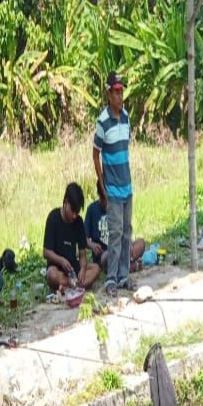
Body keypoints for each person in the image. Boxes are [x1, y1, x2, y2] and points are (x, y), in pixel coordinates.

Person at [93, 70, 134, 294]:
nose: (120, 96)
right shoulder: (102, 121)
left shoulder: (126, 117)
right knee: (115, 233)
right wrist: (102, 184)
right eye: (116, 92)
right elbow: (95, 154)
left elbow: (125, 148)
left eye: (122, 91)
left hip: (127, 185)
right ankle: (111, 279)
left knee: (127, 231)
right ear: (109, 94)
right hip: (113, 188)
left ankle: (123, 276)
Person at [43, 182, 100, 292]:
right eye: (72, 211)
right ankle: (74, 284)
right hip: (57, 268)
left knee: (96, 268)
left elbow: (82, 253)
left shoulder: (78, 222)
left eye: (77, 212)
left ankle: (71, 285)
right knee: (51, 275)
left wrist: (83, 269)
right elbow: (46, 252)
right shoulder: (53, 218)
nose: (74, 216)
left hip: (73, 268)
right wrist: (61, 260)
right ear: (65, 203)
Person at [86, 179, 145, 268]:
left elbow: (125, 231)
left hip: (121, 248)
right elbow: (83, 238)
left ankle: (126, 264)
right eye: (105, 200)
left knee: (141, 243)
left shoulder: (117, 207)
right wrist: (92, 245)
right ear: (99, 196)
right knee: (108, 256)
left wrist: (128, 243)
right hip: (105, 254)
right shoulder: (92, 209)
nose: (108, 204)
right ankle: (130, 265)